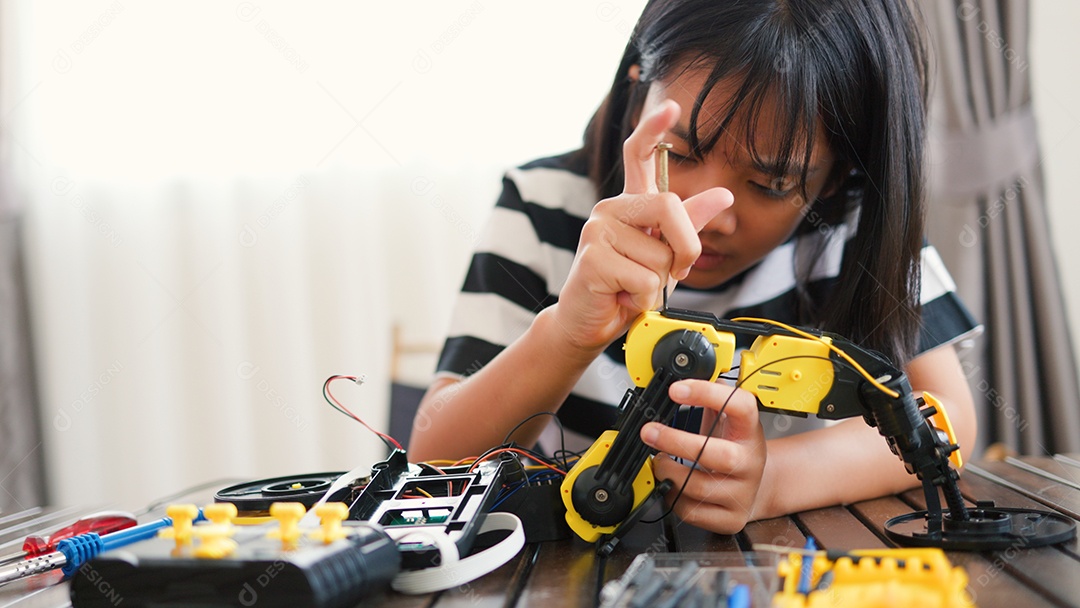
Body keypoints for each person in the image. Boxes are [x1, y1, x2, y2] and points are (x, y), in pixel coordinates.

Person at [409, 0, 980, 534]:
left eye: (771, 183)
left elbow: (950, 419)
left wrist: (773, 481)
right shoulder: (543, 206)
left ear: (836, 177)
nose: (703, 216)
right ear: (638, 89)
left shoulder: (853, 231)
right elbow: (433, 460)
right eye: (678, 154)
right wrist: (565, 335)